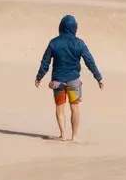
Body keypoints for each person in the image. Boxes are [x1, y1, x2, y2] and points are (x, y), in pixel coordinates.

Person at [34, 14, 103, 142]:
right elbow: (90, 61)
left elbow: (45, 62)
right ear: (75, 28)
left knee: (60, 107)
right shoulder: (79, 43)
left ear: (61, 27)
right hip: (74, 81)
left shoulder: (54, 42)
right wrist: (98, 77)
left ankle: (63, 135)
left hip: (57, 82)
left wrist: (39, 77)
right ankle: (75, 136)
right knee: (74, 107)